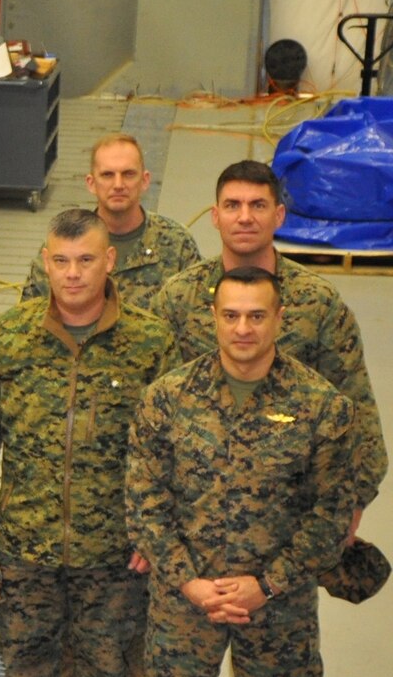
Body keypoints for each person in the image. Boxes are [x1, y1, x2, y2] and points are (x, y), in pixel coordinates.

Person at [117, 266, 380, 677]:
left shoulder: (322, 407)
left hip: (277, 605)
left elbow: (330, 514)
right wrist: (191, 583)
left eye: (256, 316)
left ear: (278, 321)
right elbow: (145, 500)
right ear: (213, 318)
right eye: (231, 315)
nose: (243, 328)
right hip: (188, 600)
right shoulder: (168, 397)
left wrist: (268, 584)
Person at [0, 209, 174, 677]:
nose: (72, 274)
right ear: (45, 263)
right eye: (60, 261)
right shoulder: (9, 338)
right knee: (26, 654)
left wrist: (155, 533)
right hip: (24, 538)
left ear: (110, 261)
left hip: (115, 544)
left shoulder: (151, 343)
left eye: (85, 260)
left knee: (106, 660)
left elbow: (174, 448)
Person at [150, 159, 385, 540]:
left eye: (257, 205)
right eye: (233, 205)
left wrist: (351, 503)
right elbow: (147, 414)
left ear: (279, 215)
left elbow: (356, 407)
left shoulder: (317, 303)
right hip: (191, 522)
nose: (244, 217)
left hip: (285, 527)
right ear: (215, 216)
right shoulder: (178, 299)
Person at [22, 135, 200, 310]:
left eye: (128, 174)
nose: (118, 184)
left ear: (145, 180)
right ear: (91, 183)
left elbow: (196, 322)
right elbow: (29, 321)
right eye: (107, 175)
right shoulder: (63, 246)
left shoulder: (177, 245)